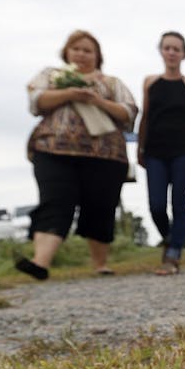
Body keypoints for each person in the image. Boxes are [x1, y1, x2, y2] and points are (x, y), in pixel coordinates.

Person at [15, 29, 137, 280]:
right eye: (76, 49)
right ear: (67, 52)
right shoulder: (51, 76)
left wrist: (96, 100)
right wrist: (70, 93)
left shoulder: (111, 83)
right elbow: (36, 101)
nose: (81, 54)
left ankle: (100, 263)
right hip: (53, 150)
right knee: (55, 201)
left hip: (105, 154)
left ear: (97, 56)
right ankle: (41, 263)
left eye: (88, 50)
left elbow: (129, 112)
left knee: (100, 206)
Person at [137, 31, 185, 275]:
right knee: (157, 206)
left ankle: (172, 256)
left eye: (176, 49)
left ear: (183, 54)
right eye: (167, 48)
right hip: (155, 152)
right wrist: (140, 146)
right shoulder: (150, 83)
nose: (171, 52)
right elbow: (146, 117)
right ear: (161, 51)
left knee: (179, 205)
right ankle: (170, 238)